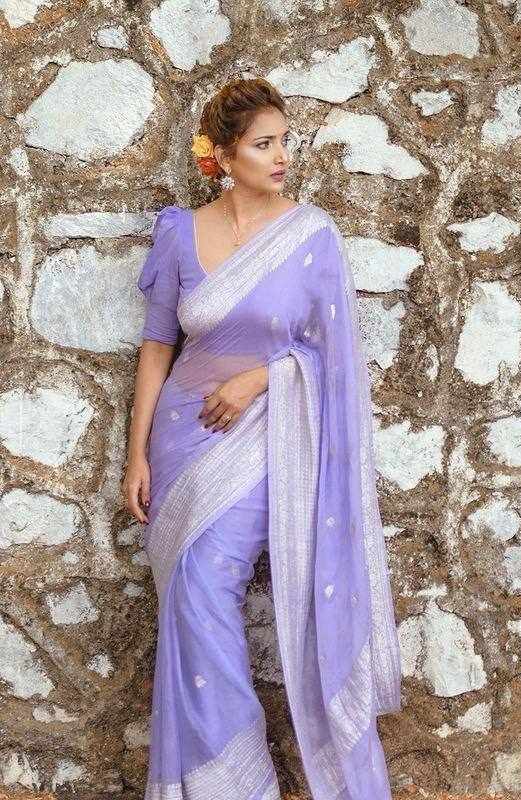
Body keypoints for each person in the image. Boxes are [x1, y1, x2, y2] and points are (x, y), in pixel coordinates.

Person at [122, 76, 402, 800]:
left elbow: (335, 360)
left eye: (284, 142)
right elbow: (157, 347)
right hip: (181, 442)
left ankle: (238, 785)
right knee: (188, 601)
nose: (282, 157)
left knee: (208, 587)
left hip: (265, 444)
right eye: (263, 144)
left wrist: (262, 378)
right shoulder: (179, 233)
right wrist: (135, 454)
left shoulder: (310, 237)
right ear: (222, 155)